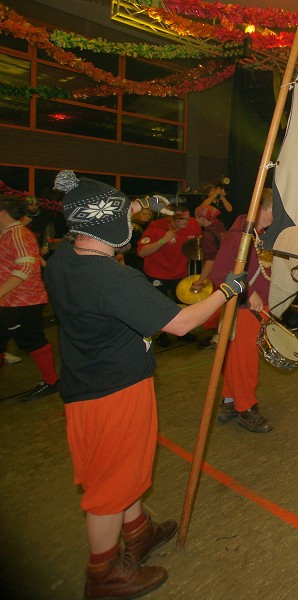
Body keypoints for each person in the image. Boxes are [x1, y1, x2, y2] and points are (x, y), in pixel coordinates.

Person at [44, 170, 247, 599]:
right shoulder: (113, 279)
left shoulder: (65, 257)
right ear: (106, 224)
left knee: (127, 466)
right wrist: (229, 289)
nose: (132, 223)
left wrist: (148, 204)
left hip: (88, 382)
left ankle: (137, 532)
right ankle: (103, 574)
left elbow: (118, 213)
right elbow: (182, 322)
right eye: (124, 217)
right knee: (108, 487)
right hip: (112, 392)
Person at [210, 189, 278, 433]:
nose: (276, 215)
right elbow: (218, 275)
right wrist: (248, 293)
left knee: (236, 359)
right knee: (245, 361)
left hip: (256, 310)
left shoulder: (260, 235)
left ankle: (230, 400)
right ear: (263, 209)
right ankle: (246, 408)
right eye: (274, 210)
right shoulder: (238, 237)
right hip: (242, 309)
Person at [0, 194, 60, 400]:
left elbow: (26, 266)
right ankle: (52, 381)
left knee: (32, 341)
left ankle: (52, 382)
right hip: (12, 301)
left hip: (22, 302)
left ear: (3, 213)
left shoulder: (17, 234)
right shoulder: (9, 233)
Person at [137, 204, 201, 346]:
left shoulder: (193, 224)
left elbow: (197, 243)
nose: (186, 222)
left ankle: (182, 331)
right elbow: (142, 252)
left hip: (180, 272)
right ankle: (162, 333)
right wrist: (163, 241)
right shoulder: (156, 226)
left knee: (182, 304)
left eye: (187, 218)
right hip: (156, 273)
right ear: (171, 218)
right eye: (181, 219)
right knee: (160, 305)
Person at [190, 204, 227, 348]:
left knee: (214, 308)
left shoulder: (208, 235)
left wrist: (200, 280)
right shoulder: (220, 227)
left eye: (196, 217)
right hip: (227, 271)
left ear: (202, 218)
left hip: (217, 274)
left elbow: (210, 260)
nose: (195, 219)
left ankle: (217, 339)